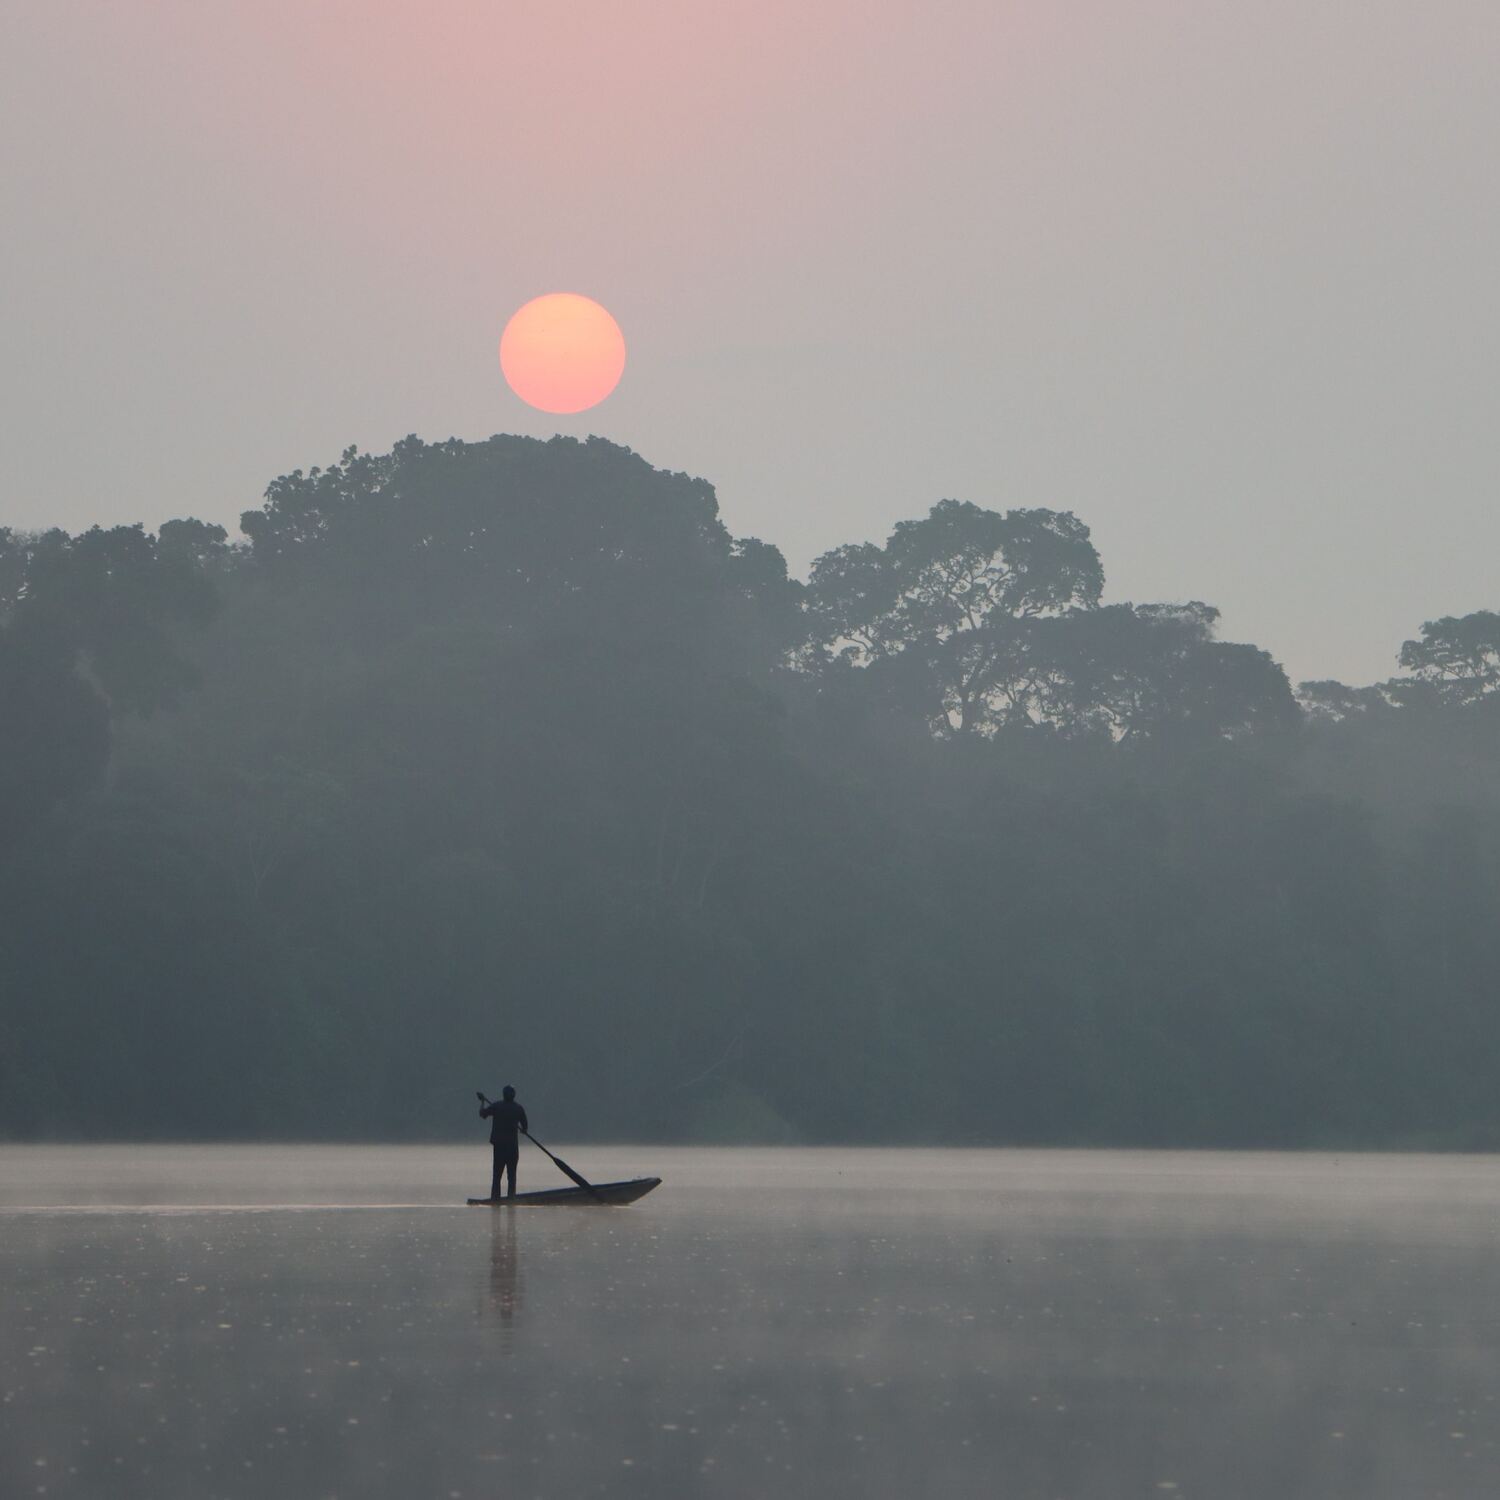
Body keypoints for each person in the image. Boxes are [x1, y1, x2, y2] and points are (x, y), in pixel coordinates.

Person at [480, 1085, 529, 1200]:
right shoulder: (518, 1108)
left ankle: (495, 1199)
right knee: (511, 1176)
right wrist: (523, 1130)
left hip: (499, 1147)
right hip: (512, 1148)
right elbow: (525, 1128)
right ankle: (511, 1199)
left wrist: (482, 1101)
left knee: (497, 1176)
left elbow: (482, 1114)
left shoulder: (496, 1106)